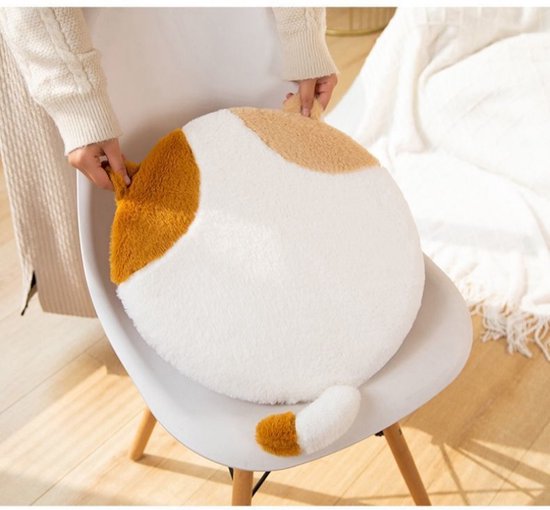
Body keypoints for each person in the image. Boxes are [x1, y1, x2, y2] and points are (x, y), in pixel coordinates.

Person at [0, 7, 339, 316]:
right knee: (132, 239)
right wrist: (78, 103)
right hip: (94, 40)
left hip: (244, 29)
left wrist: (304, 31)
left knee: (269, 193)